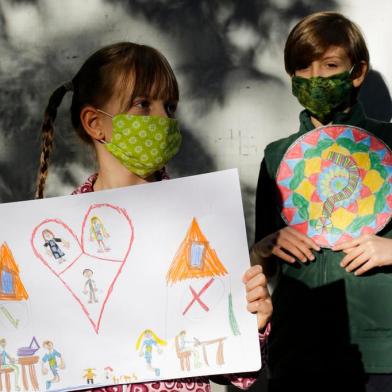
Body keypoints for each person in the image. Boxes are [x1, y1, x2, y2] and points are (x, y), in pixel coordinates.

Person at [35, 42, 272, 392]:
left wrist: (254, 324)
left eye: (170, 106)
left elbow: (232, 369)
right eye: (143, 104)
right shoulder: (51, 242)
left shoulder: (201, 226)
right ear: (95, 123)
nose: (163, 118)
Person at [251, 11, 392, 392]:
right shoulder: (276, 157)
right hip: (296, 349)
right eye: (303, 67)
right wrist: (263, 249)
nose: (315, 78)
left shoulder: (389, 148)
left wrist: (390, 249)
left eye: (330, 65)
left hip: (381, 351)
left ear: (356, 71)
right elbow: (261, 267)